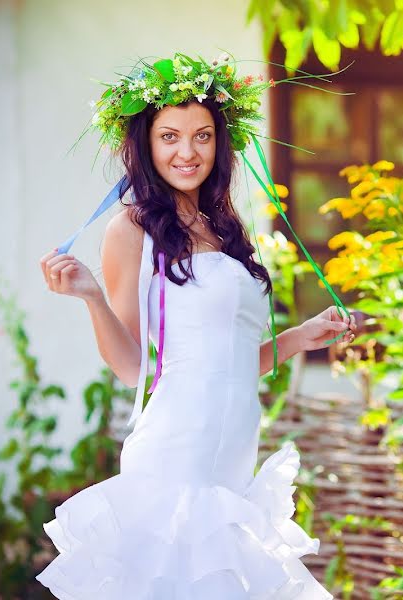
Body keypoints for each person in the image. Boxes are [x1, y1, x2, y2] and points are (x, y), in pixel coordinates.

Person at [35, 52, 354, 598]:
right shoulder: (132, 228)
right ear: (145, 143)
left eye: (203, 136)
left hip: (232, 455)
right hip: (179, 451)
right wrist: (92, 297)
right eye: (170, 137)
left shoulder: (225, 226)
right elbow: (133, 366)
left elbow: (226, 359)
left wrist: (300, 337)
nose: (188, 152)